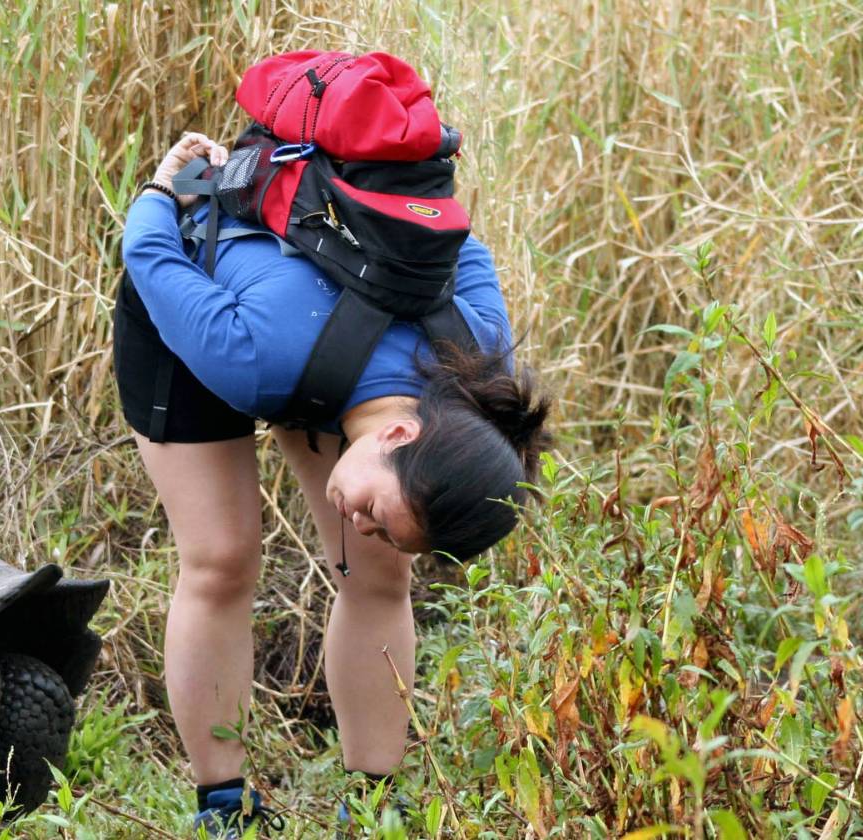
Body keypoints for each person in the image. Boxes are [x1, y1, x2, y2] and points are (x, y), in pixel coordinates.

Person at [116, 131, 552, 836]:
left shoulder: (474, 359)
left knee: (383, 572)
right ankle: (224, 809)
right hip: (193, 301)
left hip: (319, 350)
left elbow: (463, 248)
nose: (364, 521)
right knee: (222, 559)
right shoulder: (255, 358)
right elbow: (149, 255)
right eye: (378, 510)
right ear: (403, 431)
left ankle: (372, 810)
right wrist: (165, 190)